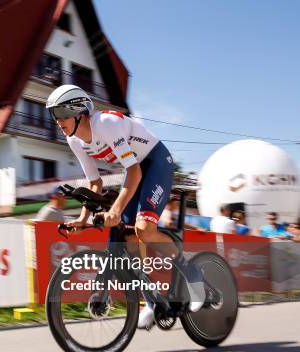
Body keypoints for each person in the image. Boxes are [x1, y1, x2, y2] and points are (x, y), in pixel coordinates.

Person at [46, 84, 204, 330]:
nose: (58, 121)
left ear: (79, 113)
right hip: (135, 173)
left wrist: (116, 210)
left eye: (62, 114)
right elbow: (95, 183)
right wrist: (83, 219)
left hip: (155, 163)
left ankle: (192, 274)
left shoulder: (106, 125)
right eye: (54, 115)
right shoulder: (75, 140)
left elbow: (134, 170)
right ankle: (151, 302)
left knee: (143, 229)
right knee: (123, 239)